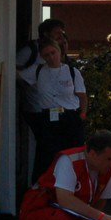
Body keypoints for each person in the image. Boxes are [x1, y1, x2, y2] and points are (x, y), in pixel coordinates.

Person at [17, 130, 111, 220]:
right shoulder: (69, 161)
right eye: (109, 159)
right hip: (36, 210)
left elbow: (100, 201)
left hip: (66, 214)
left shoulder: (107, 170)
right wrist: (101, 217)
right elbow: (65, 199)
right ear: (93, 154)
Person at [24, 40, 88, 184]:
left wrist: (82, 115)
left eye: (53, 53)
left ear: (59, 52)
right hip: (48, 118)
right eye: (46, 55)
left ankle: (75, 186)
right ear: (42, 56)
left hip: (70, 116)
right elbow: (16, 73)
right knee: (47, 157)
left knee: (73, 154)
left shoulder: (72, 72)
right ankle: (45, 189)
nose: (51, 57)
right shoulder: (38, 71)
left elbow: (82, 96)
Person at [18, 18, 70, 177]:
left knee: (53, 147)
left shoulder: (60, 51)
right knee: (46, 149)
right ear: (46, 34)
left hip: (54, 110)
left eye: (62, 34)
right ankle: (40, 183)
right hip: (36, 109)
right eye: (57, 34)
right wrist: (33, 82)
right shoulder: (31, 51)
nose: (61, 37)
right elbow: (15, 73)